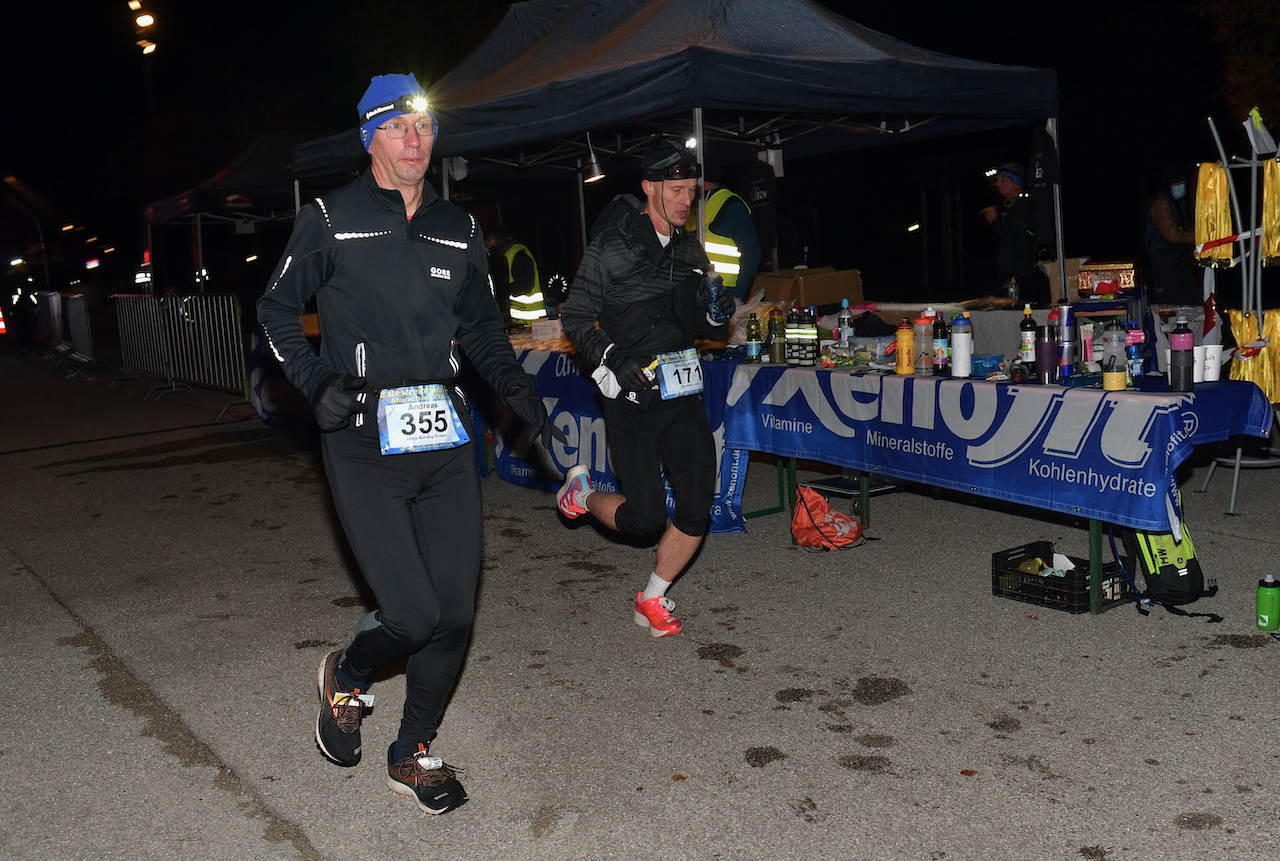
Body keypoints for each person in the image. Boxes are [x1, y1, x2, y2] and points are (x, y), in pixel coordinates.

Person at [257, 72, 559, 814]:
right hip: (363, 440)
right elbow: (274, 305)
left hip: (445, 437)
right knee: (412, 613)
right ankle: (347, 673)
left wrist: (515, 387)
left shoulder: (456, 227)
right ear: (370, 139)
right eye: (397, 127)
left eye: (423, 126)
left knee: (455, 610)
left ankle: (412, 748)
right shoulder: (331, 218)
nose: (414, 139)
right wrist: (310, 376)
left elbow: (483, 327)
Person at [556, 141, 734, 638]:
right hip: (631, 398)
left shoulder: (691, 250)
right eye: (676, 190)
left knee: (699, 507)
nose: (685, 201)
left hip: (682, 393)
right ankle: (583, 492)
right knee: (645, 519)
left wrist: (718, 312)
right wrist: (614, 357)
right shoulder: (612, 246)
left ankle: (652, 598)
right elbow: (574, 316)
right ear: (649, 188)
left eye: (692, 192)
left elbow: (708, 329)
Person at [981, 162, 1049, 306]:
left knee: (1002, 308)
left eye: (1003, 179)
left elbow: (1016, 237)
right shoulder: (1014, 205)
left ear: (1015, 183)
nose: (998, 183)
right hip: (1014, 272)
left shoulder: (1023, 204)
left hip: (1019, 275)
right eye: (997, 179)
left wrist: (994, 222)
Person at [684, 178, 761, 300]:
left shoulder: (730, 205)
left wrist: (737, 297)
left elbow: (752, 253)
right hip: (695, 294)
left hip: (725, 293)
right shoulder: (691, 204)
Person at [1145, 169, 1197, 305]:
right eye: (1177, 183)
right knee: (1169, 305)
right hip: (1164, 263)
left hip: (1179, 262)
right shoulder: (1161, 203)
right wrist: (1200, 236)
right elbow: (1172, 235)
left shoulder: (1177, 202)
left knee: (1187, 302)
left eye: (1183, 182)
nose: (1182, 186)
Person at [484, 226, 546, 325]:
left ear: (493, 241)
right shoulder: (503, 256)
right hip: (515, 321)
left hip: (528, 321)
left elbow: (525, 286)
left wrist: (501, 291)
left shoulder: (519, 255)